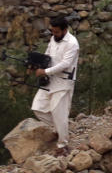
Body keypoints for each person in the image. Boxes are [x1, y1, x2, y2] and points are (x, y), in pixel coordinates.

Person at [31, 16, 79, 157]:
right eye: (52, 31)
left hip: (63, 82)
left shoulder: (72, 43)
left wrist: (45, 71)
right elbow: (48, 54)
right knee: (38, 108)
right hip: (50, 80)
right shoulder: (53, 38)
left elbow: (65, 64)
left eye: (56, 32)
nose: (54, 34)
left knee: (59, 113)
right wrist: (39, 64)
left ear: (65, 30)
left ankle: (62, 145)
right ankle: (60, 127)